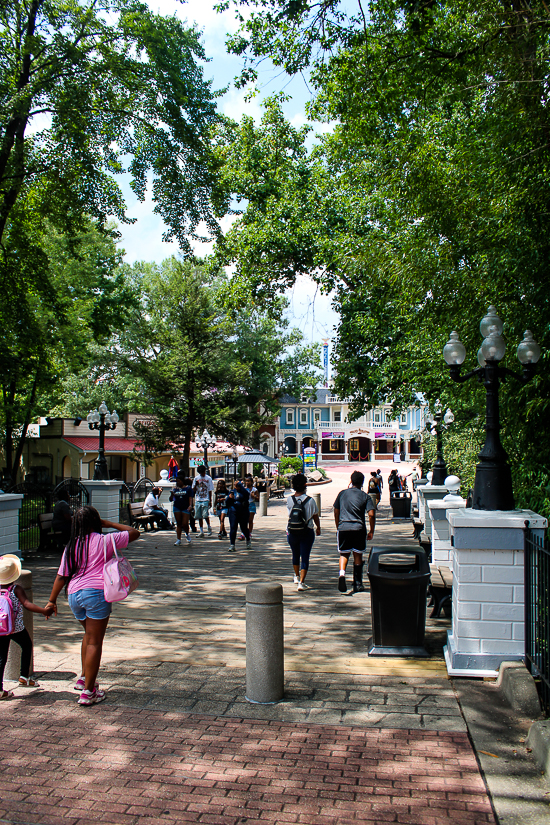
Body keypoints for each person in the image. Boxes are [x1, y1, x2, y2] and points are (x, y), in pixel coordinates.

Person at [45, 507, 140, 706]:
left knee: (88, 636)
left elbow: (61, 575)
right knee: (95, 642)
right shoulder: (105, 540)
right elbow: (134, 532)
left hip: (74, 595)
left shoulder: (72, 545)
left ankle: (83, 679)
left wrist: (51, 601)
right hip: (96, 594)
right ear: (96, 522)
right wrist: (110, 524)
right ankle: (89, 692)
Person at [0, 554, 54, 699]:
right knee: (27, 645)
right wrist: (44, 610)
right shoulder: (16, 589)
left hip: (1, 629)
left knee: (1, 657)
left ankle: (0, 690)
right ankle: (24, 676)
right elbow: (27, 604)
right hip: (16, 628)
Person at [333, 471, 376, 594]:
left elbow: (336, 511)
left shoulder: (342, 494)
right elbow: (371, 514)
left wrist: (338, 526)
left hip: (343, 527)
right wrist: (371, 531)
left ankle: (342, 575)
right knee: (358, 555)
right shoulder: (365, 496)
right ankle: (357, 583)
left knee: (344, 554)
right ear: (362, 482)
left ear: (351, 481)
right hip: (358, 528)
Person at [286, 473, 321, 592]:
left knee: (295, 554)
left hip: (292, 531)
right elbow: (315, 516)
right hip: (307, 531)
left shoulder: (290, 500)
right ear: (305, 485)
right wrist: (318, 527)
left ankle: (296, 576)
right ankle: (301, 582)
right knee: (305, 556)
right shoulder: (310, 501)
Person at [225, 481, 251, 551]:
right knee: (233, 528)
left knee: (244, 528)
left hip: (243, 512)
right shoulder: (232, 492)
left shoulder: (244, 492)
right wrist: (229, 498)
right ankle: (232, 544)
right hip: (233, 512)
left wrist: (241, 486)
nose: (236, 487)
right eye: (235, 486)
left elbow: (247, 496)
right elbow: (227, 502)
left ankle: (248, 539)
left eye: (238, 486)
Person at [170, 473, 194, 545]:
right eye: (177, 481)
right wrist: (172, 495)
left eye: (179, 481)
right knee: (179, 523)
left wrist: (190, 505)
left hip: (185, 507)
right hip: (177, 506)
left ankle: (187, 533)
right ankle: (178, 539)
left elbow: (190, 498)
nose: (178, 483)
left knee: (185, 523)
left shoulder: (188, 488)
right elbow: (171, 499)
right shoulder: (175, 489)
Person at [192, 465, 214, 537]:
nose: (202, 474)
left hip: (205, 499)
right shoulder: (196, 478)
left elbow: (210, 490)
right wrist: (196, 484)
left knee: (205, 515)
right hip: (198, 499)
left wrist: (210, 501)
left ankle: (209, 527)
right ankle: (201, 531)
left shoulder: (208, 478)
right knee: (199, 516)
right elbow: (193, 490)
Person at [241, 477, 259, 541]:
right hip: (245, 505)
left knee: (250, 520)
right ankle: (243, 533)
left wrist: (254, 496)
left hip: (251, 505)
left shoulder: (254, 489)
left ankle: (249, 532)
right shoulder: (244, 489)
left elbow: (258, 498)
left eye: (248, 481)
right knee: (244, 520)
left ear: (251, 482)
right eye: (246, 481)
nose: (247, 482)